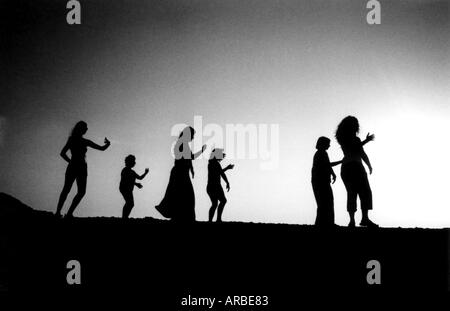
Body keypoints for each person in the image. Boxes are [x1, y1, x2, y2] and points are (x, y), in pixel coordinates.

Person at [55, 121, 111, 218]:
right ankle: (67, 213)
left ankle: (60, 213)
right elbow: (102, 148)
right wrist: (108, 144)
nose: (87, 129)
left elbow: (62, 153)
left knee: (68, 190)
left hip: (74, 166)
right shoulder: (83, 141)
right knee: (78, 191)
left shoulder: (74, 140)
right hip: (80, 167)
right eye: (85, 127)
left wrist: (70, 162)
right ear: (81, 129)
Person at [155, 126, 206, 222]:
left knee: (182, 195)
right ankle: (182, 217)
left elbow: (188, 159)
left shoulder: (184, 143)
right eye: (193, 135)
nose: (193, 138)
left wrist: (191, 169)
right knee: (184, 196)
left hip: (182, 173)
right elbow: (189, 157)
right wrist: (202, 151)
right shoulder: (181, 143)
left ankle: (181, 217)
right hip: (179, 173)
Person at [335, 116, 377, 228]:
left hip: (345, 168)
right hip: (356, 166)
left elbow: (356, 148)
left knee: (351, 193)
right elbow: (360, 151)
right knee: (365, 192)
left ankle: (352, 221)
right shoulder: (354, 139)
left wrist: (365, 142)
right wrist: (369, 165)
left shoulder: (342, 138)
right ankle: (364, 219)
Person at [311, 137, 342, 227]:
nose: (329, 145)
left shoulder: (323, 153)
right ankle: (325, 224)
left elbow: (327, 165)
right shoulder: (320, 153)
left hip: (321, 181)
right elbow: (327, 165)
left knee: (325, 202)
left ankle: (325, 223)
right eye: (328, 143)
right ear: (323, 144)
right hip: (320, 181)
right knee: (324, 202)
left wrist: (332, 173)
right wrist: (341, 161)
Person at [207, 148, 234, 222]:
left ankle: (211, 220)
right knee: (222, 201)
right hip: (215, 186)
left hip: (211, 186)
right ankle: (218, 219)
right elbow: (221, 173)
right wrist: (227, 182)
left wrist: (227, 168)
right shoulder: (215, 163)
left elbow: (219, 172)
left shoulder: (211, 163)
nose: (222, 158)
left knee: (215, 204)